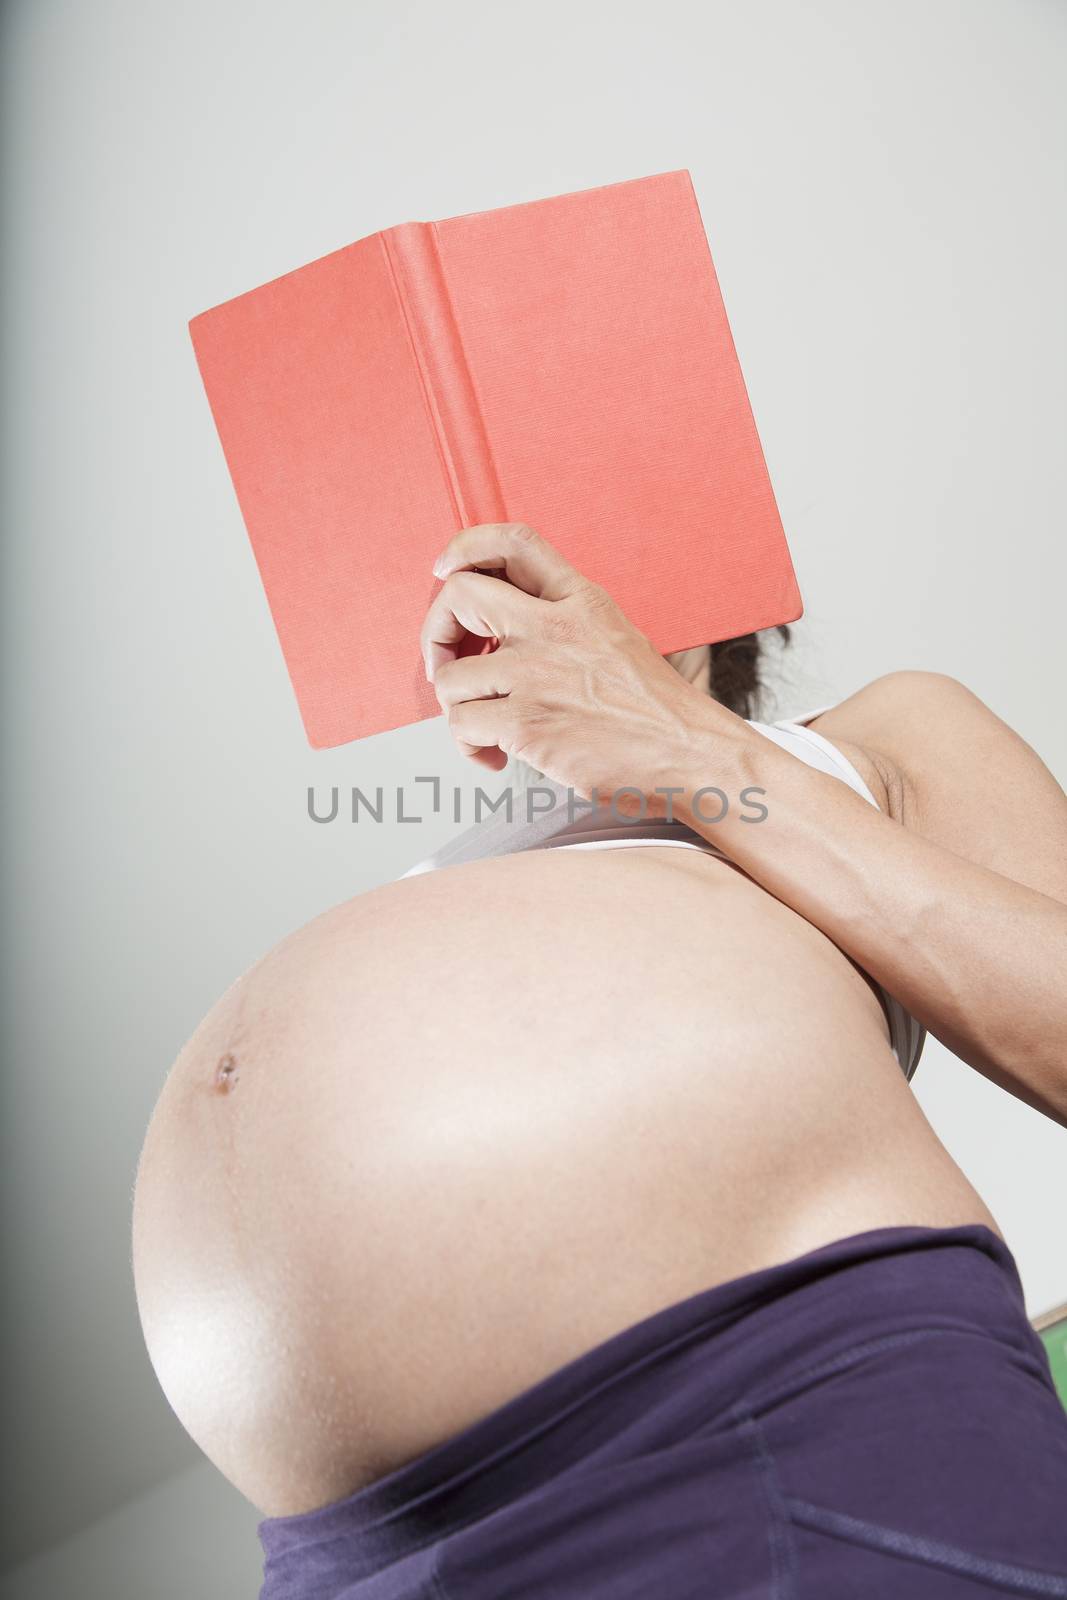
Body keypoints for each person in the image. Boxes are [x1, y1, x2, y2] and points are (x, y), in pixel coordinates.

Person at [132, 523, 1067, 1598]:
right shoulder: (460, 859)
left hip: (764, 1406)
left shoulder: (880, 733)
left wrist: (682, 746)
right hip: (359, 1550)